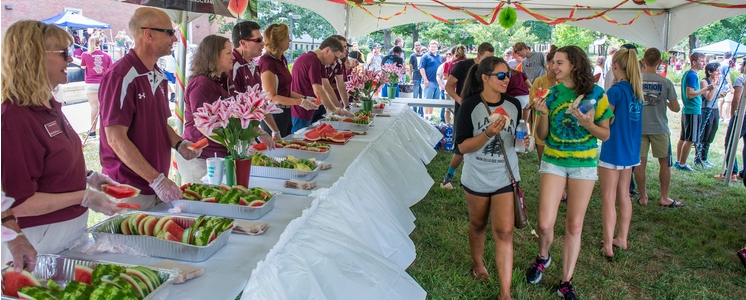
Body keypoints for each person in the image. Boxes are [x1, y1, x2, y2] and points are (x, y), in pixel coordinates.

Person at [1, 20, 123, 267]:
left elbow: (51, 164)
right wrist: (83, 196)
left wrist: (87, 176)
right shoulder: (15, 119)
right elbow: (18, 203)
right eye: (64, 53)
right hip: (39, 241)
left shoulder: (48, 105)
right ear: (34, 57)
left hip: (68, 234)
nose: (71, 60)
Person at [527, 45, 613, 300]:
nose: (553, 66)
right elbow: (542, 136)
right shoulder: (550, 94)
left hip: (584, 165)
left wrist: (588, 124)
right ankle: (543, 256)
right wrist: (541, 114)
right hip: (553, 160)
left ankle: (566, 281)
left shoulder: (597, 95)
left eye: (559, 62)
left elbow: (605, 134)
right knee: (544, 224)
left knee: (574, 226)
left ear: (574, 65)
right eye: (553, 62)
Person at [99, 8, 201, 209]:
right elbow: (115, 139)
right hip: (130, 188)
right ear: (148, 34)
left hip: (155, 183)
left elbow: (160, 125)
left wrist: (179, 144)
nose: (175, 38)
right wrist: (156, 180)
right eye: (170, 32)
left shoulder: (159, 76)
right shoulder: (121, 76)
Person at [454, 56, 522, 300]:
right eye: (501, 76)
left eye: (508, 75)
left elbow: (516, 139)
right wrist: (486, 134)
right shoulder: (469, 106)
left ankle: (505, 294)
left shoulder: (514, 104)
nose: (506, 80)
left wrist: (523, 141)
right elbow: (461, 147)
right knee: (478, 224)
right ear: (485, 78)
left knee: (504, 232)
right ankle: (479, 264)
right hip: (477, 178)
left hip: (505, 176)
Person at [599, 48, 644, 258]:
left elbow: (604, 120)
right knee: (624, 195)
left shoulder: (615, 91)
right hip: (631, 150)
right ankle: (622, 238)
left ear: (615, 66)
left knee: (608, 197)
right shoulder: (637, 90)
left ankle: (608, 245)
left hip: (614, 149)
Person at [440, 42, 494, 189]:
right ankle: (449, 176)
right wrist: (461, 101)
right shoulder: (463, 66)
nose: (489, 61)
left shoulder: (488, 70)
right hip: (464, 111)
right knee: (461, 147)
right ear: (479, 55)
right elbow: (448, 86)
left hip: (482, 111)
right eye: (487, 58)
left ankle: (479, 177)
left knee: (482, 143)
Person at [634, 47, 683, 207]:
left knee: (640, 163)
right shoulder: (666, 82)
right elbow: (676, 108)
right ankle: (664, 197)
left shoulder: (635, 81)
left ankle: (643, 197)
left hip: (638, 128)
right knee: (664, 163)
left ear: (643, 60)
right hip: (660, 128)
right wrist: (665, 101)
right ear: (660, 63)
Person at [259, 24, 317, 138]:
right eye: (287, 37)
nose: (289, 40)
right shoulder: (267, 62)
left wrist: (304, 98)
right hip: (274, 115)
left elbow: (284, 90)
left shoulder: (282, 59)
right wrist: (299, 102)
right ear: (279, 40)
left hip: (286, 113)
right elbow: (271, 96)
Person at [231, 21, 281, 137]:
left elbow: (260, 102)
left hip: (248, 133)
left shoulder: (254, 65)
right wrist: (258, 133)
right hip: (234, 137)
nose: (263, 43)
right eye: (258, 40)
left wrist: (275, 131)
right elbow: (233, 109)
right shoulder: (231, 66)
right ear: (243, 43)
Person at [290, 37, 348, 134]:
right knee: (300, 141)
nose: (335, 62)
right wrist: (334, 109)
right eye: (335, 58)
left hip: (312, 108)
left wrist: (339, 109)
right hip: (303, 110)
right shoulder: (313, 60)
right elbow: (319, 90)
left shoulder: (317, 61)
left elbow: (326, 86)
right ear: (327, 50)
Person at [675, 52, 713, 173]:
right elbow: (690, 94)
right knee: (690, 139)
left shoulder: (688, 73)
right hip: (692, 110)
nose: (704, 63)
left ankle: (678, 161)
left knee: (684, 137)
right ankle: (682, 163)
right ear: (694, 62)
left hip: (688, 110)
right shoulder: (692, 75)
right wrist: (705, 89)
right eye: (702, 61)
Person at [528, 46, 559, 163]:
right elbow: (531, 105)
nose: (557, 67)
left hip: (559, 130)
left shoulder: (566, 82)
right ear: (549, 63)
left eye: (561, 63)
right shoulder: (539, 81)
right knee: (544, 163)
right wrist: (539, 103)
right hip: (541, 127)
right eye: (554, 63)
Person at [80, 36, 113, 138]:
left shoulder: (85, 55)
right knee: (105, 107)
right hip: (103, 83)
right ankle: (106, 131)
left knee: (94, 107)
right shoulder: (106, 55)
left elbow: (83, 66)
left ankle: (93, 130)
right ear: (100, 43)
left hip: (91, 83)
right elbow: (110, 69)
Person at [695, 62, 725, 169]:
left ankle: (705, 158)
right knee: (704, 133)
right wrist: (714, 87)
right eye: (717, 70)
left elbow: (715, 96)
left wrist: (721, 93)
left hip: (715, 110)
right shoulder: (705, 82)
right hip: (706, 110)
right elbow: (708, 98)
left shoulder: (714, 82)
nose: (719, 72)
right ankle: (698, 159)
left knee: (711, 133)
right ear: (709, 72)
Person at [722, 59, 746, 181]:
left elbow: (736, 99)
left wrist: (733, 115)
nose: (740, 66)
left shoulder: (741, 79)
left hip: (742, 115)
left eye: (742, 64)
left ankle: (731, 172)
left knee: (730, 142)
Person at [420, 40, 442, 119]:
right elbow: (421, 68)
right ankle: (426, 115)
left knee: (433, 100)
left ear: (437, 48)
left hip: (437, 81)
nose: (433, 48)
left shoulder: (439, 57)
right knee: (427, 99)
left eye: (435, 46)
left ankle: (430, 115)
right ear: (429, 47)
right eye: (431, 46)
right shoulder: (425, 56)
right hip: (428, 81)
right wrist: (425, 79)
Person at [409, 41, 425, 115]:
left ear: (421, 46)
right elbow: (410, 68)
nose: (417, 47)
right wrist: (411, 78)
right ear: (414, 47)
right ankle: (414, 112)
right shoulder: (412, 56)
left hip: (423, 78)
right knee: (415, 95)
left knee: (422, 96)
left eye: (419, 45)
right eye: (416, 45)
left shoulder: (424, 56)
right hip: (416, 77)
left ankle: (421, 112)